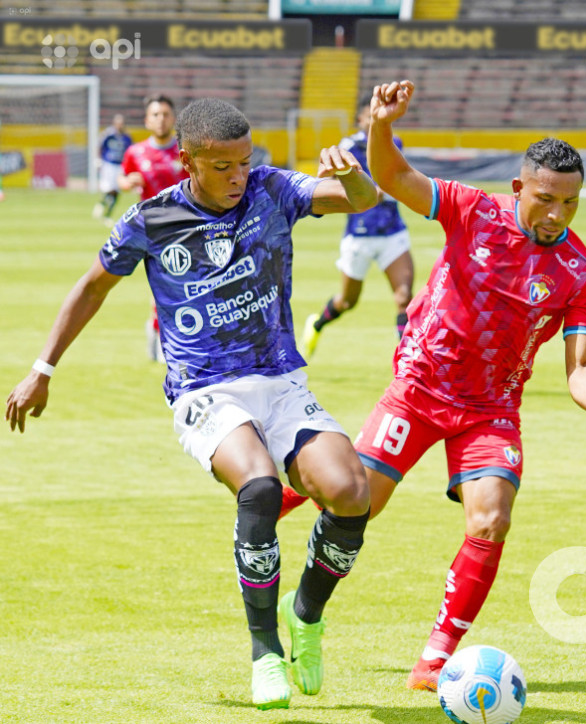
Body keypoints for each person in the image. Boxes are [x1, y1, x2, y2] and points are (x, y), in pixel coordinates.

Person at [5, 97, 378, 711]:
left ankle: (306, 612)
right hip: (204, 390)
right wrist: (43, 369)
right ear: (189, 161)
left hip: (282, 382)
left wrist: (352, 173)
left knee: (350, 493)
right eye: (223, 166)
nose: (239, 176)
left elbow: (359, 201)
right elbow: (92, 286)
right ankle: (265, 654)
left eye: (245, 161)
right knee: (258, 488)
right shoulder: (152, 219)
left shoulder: (272, 188)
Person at [345, 80, 586, 691]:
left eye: (570, 205)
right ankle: (293, 498)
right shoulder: (473, 209)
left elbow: (580, 365)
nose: (557, 215)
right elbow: (393, 177)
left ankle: (436, 658)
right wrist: (381, 124)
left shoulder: (580, 273)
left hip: (490, 410)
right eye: (547, 200)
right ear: (519, 188)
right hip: (419, 386)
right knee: (354, 502)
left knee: (491, 519)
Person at [302, 97, 413, 357]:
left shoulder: (394, 143)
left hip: (392, 231)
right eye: (368, 116)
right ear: (360, 120)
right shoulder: (348, 146)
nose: (373, 120)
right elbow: (329, 182)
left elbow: (399, 177)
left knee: (404, 297)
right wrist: (368, 191)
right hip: (359, 234)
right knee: (347, 301)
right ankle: (317, 324)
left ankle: (407, 360)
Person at [118, 94, 190, 361]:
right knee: (165, 285)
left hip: (186, 228)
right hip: (152, 231)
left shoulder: (185, 151)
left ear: (173, 119)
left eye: (166, 115)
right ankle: (163, 337)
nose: (161, 119)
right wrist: (128, 182)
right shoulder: (136, 152)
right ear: (147, 120)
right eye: (156, 115)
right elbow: (122, 178)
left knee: (186, 286)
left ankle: (160, 331)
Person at [92, 113, 133, 226]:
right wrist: (98, 159)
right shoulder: (108, 134)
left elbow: (130, 151)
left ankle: (107, 214)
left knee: (117, 191)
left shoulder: (126, 137)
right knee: (109, 189)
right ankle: (101, 204)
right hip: (109, 165)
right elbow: (99, 145)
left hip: (120, 166)